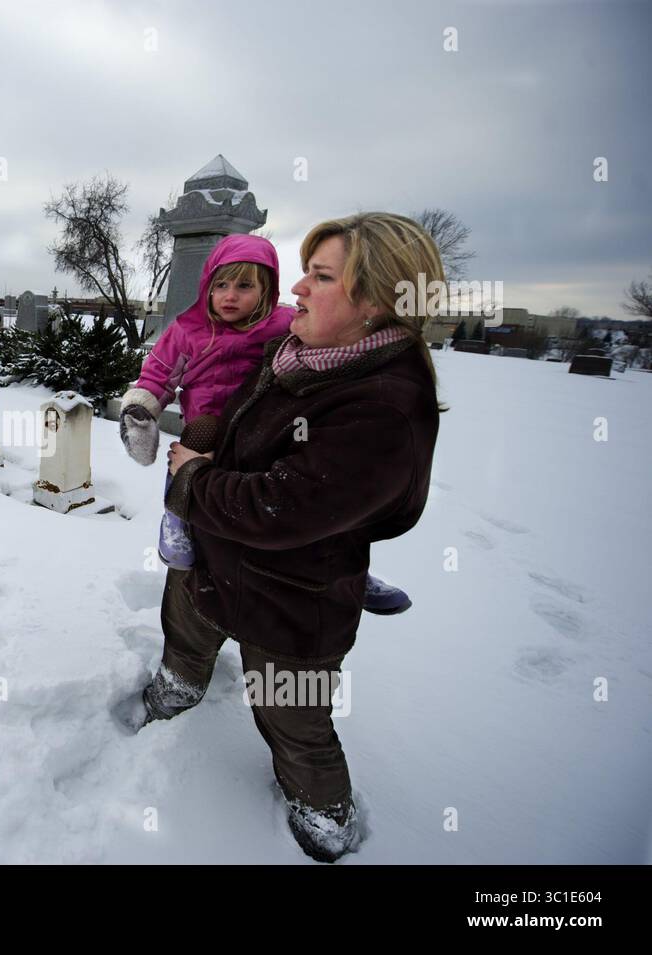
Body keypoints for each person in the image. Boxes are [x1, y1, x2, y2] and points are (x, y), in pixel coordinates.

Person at [128, 213, 444, 862]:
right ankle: (181, 682)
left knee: (291, 714)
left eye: (321, 276)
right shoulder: (295, 349)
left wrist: (189, 479)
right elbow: (232, 410)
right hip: (213, 554)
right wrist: (197, 437)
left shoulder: (382, 405)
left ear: (378, 301)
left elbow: (281, 505)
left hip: (291, 597)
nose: (298, 288)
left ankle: (321, 804)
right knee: (186, 628)